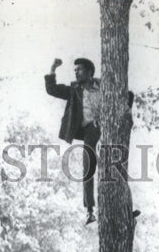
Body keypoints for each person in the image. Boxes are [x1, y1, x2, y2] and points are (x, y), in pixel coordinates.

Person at [44, 56, 134, 224]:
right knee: (88, 165)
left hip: (108, 127)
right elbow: (52, 89)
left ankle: (122, 206)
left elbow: (128, 94)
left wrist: (127, 113)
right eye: (75, 70)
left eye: (79, 70)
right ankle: (90, 210)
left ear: (90, 72)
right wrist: (53, 69)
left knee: (115, 165)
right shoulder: (74, 90)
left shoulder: (103, 86)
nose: (76, 73)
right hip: (89, 130)